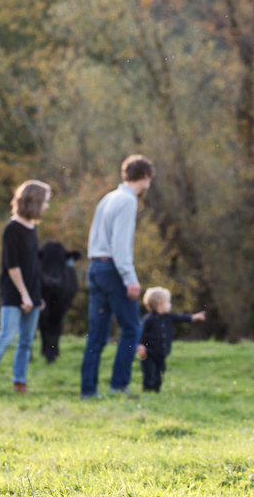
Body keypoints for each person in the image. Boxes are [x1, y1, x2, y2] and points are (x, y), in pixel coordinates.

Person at [80, 155, 155, 399]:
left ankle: (88, 389)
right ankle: (119, 386)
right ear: (145, 177)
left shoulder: (108, 198)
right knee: (132, 329)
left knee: (97, 334)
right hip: (114, 270)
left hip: (96, 267)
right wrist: (130, 277)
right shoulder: (127, 201)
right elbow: (120, 244)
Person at [0, 180, 51, 398]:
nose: (47, 206)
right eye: (45, 202)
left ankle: (19, 383)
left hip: (32, 294)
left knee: (26, 342)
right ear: (33, 201)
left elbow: (32, 267)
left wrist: (36, 296)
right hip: (13, 293)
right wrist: (24, 295)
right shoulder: (12, 229)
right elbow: (12, 265)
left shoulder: (32, 228)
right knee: (6, 337)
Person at [137, 287, 206, 393]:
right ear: (159, 306)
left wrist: (193, 317)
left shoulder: (168, 316)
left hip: (161, 353)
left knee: (159, 373)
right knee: (150, 373)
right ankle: (148, 391)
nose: (170, 305)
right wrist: (140, 345)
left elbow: (181, 317)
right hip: (149, 353)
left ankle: (156, 391)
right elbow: (140, 333)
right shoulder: (148, 319)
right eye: (168, 303)